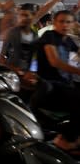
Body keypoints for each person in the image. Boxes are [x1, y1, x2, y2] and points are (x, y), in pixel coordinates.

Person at [31, 10, 80, 154]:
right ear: (54, 23)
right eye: (61, 21)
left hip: (65, 85)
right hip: (49, 87)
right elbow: (55, 62)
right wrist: (78, 71)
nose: (65, 25)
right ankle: (65, 140)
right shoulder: (49, 36)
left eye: (68, 22)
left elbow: (77, 55)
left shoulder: (68, 40)